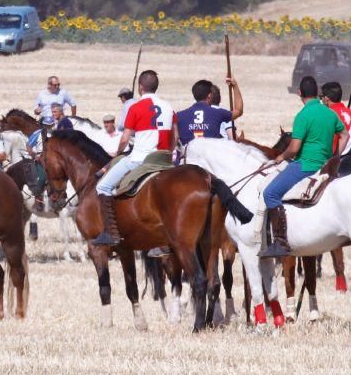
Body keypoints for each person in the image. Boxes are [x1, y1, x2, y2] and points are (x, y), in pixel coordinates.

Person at [260, 76, 347, 258]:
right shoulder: (331, 113)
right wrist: (335, 157)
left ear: (299, 93)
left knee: (270, 193)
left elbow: (294, 148)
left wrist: (280, 157)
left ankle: (280, 241)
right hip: (325, 166)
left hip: (305, 166)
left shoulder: (303, 115)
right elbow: (344, 135)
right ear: (317, 94)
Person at [91, 70, 175, 246]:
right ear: (156, 86)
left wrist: (117, 152)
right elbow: (175, 137)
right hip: (165, 159)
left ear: (140, 88)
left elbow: (124, 139)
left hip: (141, 160)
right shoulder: (169, 107)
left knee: (103, 186)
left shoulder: (135, 107)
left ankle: (111, 233)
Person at [177, 78, 244, 146]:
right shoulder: (218, 113)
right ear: (209, 96)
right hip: (210, 155)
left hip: (189, 155)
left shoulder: (179, 116)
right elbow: (239, 111)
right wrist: (235, 86)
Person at [320, 81, 351, 175]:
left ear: (326, 99)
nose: (320, 100)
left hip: (337, 166)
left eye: (321, 97)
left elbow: (331, 145)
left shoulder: (329, 115)